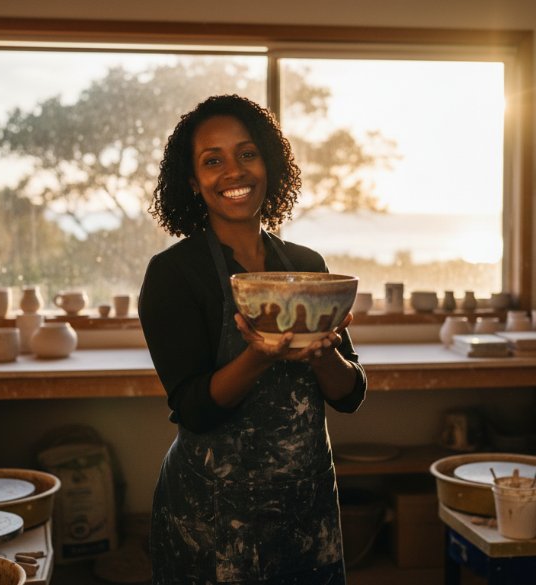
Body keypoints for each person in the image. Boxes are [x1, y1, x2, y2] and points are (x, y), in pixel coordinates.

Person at [140, 94, 367, 584]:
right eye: (212, 160)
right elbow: (195, 409)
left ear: (269, 164)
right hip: (212, 517)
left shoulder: (307, 265)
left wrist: (322, 353)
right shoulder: (174, 274)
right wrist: (260, 356)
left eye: (247, 153)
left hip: (306, 508)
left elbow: (349, 395)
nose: (234, 171)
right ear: (192, 181)